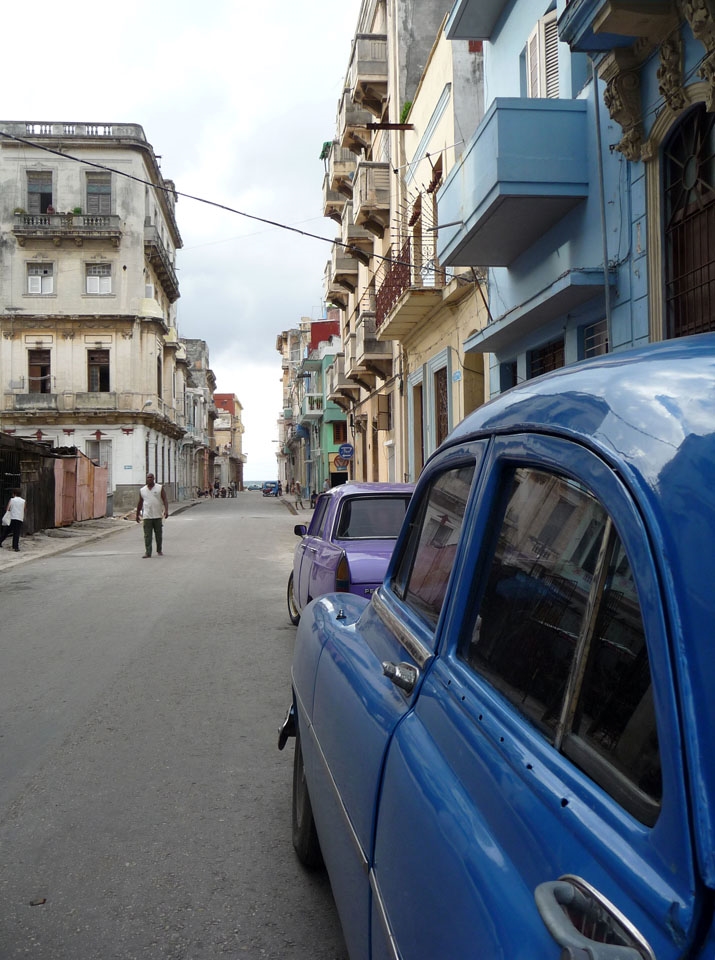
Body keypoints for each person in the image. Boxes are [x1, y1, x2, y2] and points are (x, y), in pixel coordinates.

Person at [136, 473, 168, 558]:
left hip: (157, 515)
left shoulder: (159, 488)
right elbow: (140, 502)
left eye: (151, 477)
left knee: (158, 534)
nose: (149, 479)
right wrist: (137, 513)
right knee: (147, 535)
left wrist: (166, 510)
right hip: (147, 516)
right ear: (146, 479)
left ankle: (159, 550)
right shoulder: (142, 490)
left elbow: (164, 499)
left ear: (154, 478)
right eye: (148, 477)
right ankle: (148, 552)